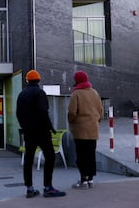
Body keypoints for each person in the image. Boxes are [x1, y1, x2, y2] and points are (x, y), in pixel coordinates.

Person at [16, 70, 66, 198]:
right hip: (42, 131)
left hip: (28, 132)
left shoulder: (22, 94)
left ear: (27, 80)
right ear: (38, 80)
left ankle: (29, 188)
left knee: (29, 159)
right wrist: (51, 128)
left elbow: (18, 114)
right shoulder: (40, 93)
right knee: (50, 157)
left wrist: (25, 127)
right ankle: (48, 187)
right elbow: (43, 112)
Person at [68, 70, 103, 189]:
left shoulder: (76, 93)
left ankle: (83, 180)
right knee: (91, 155)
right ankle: (91, 180)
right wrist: (96, 121)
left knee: (81, 156)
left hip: (80, 130)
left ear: (76, 80)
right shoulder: (95, 93)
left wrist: (71, 121)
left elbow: (72, 112)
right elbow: (101, 111)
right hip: (93, 130)